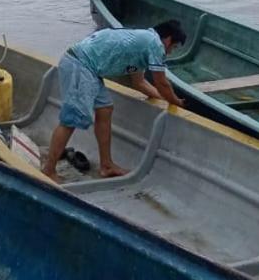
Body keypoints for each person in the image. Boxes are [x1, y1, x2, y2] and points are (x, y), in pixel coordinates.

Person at [42, 19, 187, 180]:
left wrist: (163, 99)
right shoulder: (155, 44)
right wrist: (176, 102)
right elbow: (161, 82)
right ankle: (49, 170)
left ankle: (106, 166)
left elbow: (140, 83)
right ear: (167, 40)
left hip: (90, 70)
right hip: (80, 65)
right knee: (73, 118)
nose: (170, 52)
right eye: (173, 47)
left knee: (105, 109)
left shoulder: (142, 43)